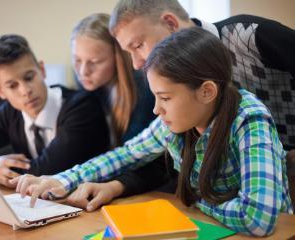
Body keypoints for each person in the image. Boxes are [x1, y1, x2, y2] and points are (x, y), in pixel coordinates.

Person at [12, 27, 293, 236]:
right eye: (155, 97)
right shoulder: (177, 121)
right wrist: (64, 180)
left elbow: (258, 219)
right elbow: (126, 154)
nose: (156, 109)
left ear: (207, 91)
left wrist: (198, 201)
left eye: (166, 98)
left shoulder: (250, 121)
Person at [57, 0, 295, 211]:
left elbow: (258, 214)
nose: (137, 63)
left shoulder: (249, 35)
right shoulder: (175, 96)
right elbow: (140, 153)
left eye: (138, 45)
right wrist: (64, 180)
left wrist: (199, 202)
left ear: (170, 23)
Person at [0, 34, 110, 188]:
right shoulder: (9, 113)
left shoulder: (81, 106)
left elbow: (44, 172)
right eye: (12, 86)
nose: (25, 91)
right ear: (0, 91)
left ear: (42, 70)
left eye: (29, 77)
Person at [68, 13, 177, 200]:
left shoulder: (145, 90)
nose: (83, 71)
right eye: (77, 60)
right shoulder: (89, 88)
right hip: (111, 185)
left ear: (119, 56)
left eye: (94, 62)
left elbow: (140, 157)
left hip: (152, 190)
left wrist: (114, 187)